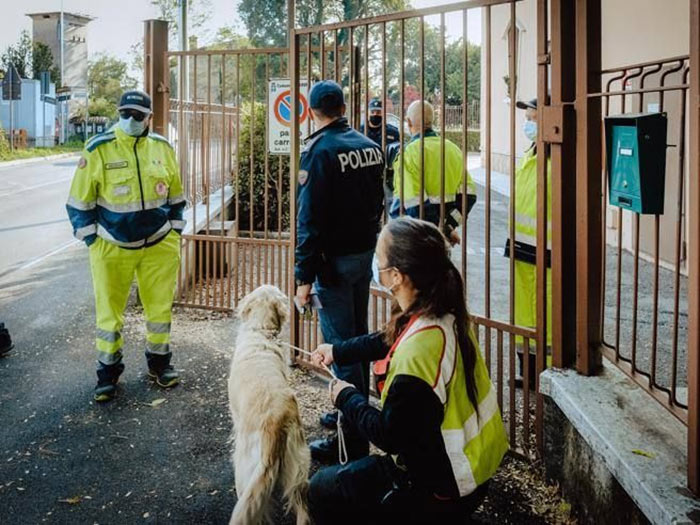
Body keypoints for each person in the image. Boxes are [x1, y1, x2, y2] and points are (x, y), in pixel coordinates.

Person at [308, 217, 509, 525]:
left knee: (321, 489)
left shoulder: (417, 358)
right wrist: (337, 351)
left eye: (379, 259)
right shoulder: (442, 310)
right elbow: (387, 338)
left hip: (442, 488)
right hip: (475, 468)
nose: (375, 264)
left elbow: (388, 436)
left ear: (397, 277)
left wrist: (345, 397)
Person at [66, 89, 186, 402]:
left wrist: (174, 231)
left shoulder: (162, 148)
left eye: (137, 115)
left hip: (159, 245)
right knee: (109, 314)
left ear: (150, 118)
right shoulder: (98, 148)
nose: (130, 119)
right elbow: (79, 202)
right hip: (111, 248)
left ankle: (160, 365)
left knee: (159, 311)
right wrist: (93, 240)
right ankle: (107, 375)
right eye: (125, 114)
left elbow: (176, 197)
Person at [294, 80, 385, 462]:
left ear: (312, 111)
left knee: (340, 348)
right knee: (356, 340)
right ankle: (352, 407)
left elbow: (309, 220)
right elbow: (381, 200)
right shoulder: (370, 146)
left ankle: (351, 439)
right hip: (363, 256)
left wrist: (303, 278)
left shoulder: (318, 151)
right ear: (344, 106)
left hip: (332, 264)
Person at [507, 98, 552, 388]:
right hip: (522, 246)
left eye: (533, 118)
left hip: (547, 250)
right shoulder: (531, 152)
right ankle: (528, 370)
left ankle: (545, 373)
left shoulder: (556, 158)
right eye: (527, 117)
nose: (528, 123)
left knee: (545, 312)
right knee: (523, 312)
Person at [389, 100, 478, 244]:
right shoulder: (453, 149)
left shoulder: (409, 153)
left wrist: (439, 232)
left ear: (408, 122)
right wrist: (448, 227)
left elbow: (415, 204)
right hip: (441, 240)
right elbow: (469, 196)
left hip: (414, 237)